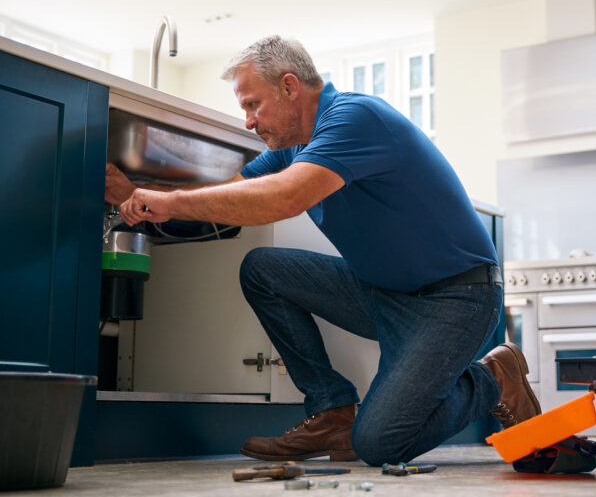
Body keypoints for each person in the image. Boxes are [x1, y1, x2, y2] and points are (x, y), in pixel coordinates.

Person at [106, 35, 541, 466]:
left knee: (378, 444)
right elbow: (229, 202)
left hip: (456, 298)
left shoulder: (356, 118)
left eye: (253, 104)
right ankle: (331, 410)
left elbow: (284, 199)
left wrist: (172, 200)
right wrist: (140, 195)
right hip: (384, 295)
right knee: (264, 270)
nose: (248, 122)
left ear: (290, 87)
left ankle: (495, 377)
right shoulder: (292, 149)